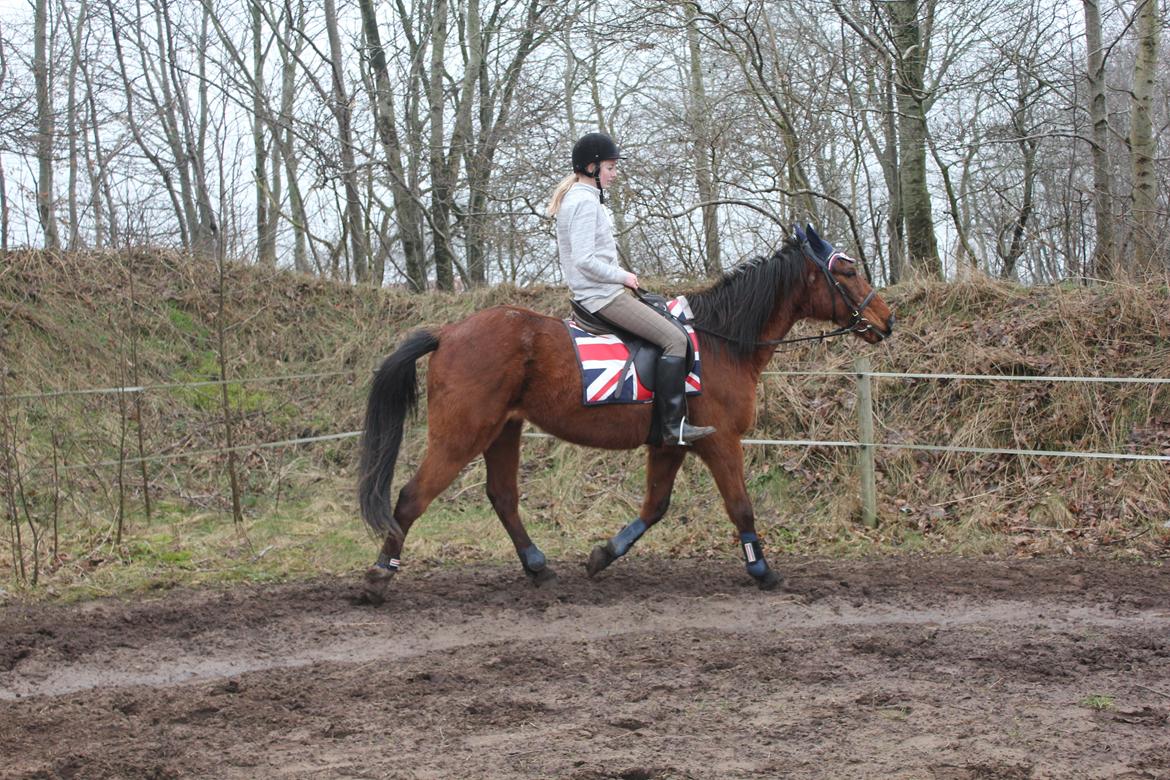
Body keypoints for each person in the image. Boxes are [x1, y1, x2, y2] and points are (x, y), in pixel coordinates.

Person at [546, 131, 715, 446]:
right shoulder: (584, 202)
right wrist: (621, 276)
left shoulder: (579, 197)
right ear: (592, 168)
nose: (614, 174)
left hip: (596, 293)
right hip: (602, 297)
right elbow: (584, 260)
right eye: (610, 167)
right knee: (675, 339)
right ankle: (673, 426)